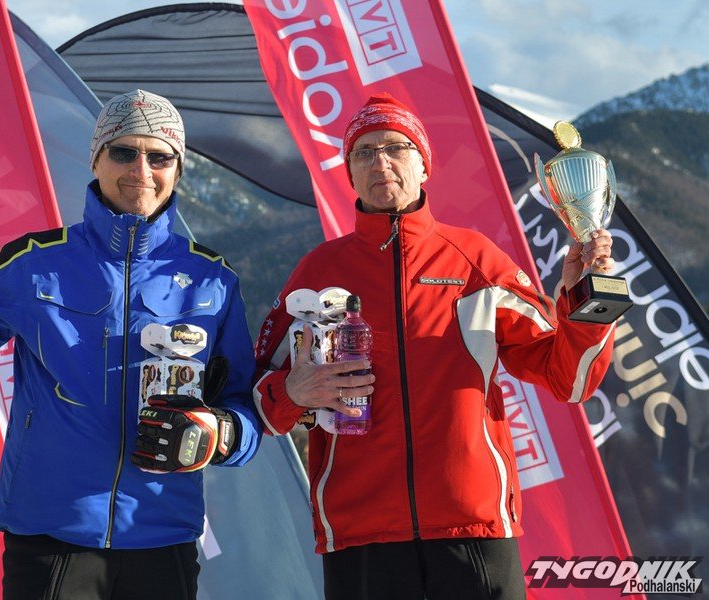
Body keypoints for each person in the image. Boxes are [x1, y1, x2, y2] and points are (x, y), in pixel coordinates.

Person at [0, 89, 261, 599]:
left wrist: (222, 432)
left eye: (159, 157)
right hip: (51, 538)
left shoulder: (212, 280)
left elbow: (245, 406)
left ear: (178, 170)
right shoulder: (33, 262)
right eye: (124, 152)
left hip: (163, 537)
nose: (141, 170)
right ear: (96, 159)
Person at [253, 93, 616, 599]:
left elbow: (569, 379)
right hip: (361, 530)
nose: (380, 162)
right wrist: (293, 392)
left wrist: (585, 300)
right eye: (364, 152)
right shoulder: (318, 273)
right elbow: (259, 398)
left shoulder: (476, 261)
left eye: (396, 148)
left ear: (424, 165)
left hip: (472, 523)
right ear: (349, 173)